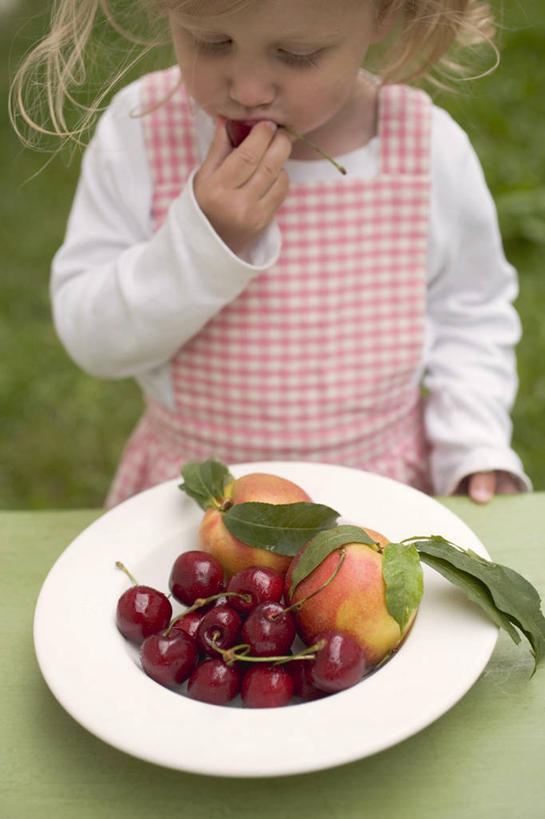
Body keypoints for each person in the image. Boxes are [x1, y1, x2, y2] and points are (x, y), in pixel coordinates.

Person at [12, 0, 531, 506]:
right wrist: (207, 242)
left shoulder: (425, 149)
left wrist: (472, 442)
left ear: (383, 13)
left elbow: (470, 313)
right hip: (198, 504)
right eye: (211, 42)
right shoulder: (143, 131)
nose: (247, 90)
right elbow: (92, 338)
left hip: (374, 499)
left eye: (297, 54)